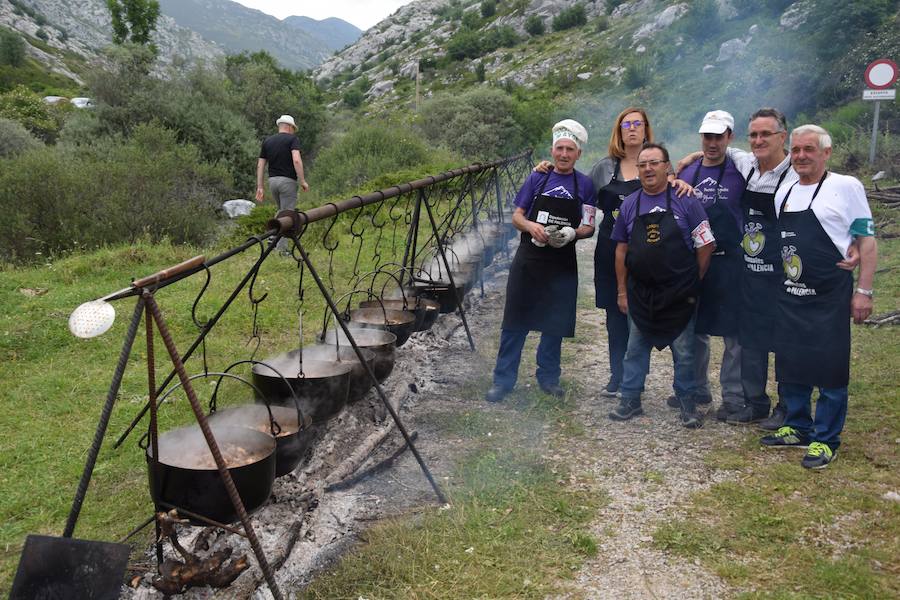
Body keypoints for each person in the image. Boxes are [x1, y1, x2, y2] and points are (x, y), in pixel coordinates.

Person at [760, 124, 877, 469]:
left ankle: (825, 438)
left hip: (830, 293)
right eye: (796, 150)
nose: (801, 157)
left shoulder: (846, 186)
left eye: (809, 149)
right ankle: (797, 425)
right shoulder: (785, 190)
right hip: (791, 292)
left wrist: (864, 291)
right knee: (791, 362)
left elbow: (865, 240)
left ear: (826, 153)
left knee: (829, 366)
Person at [486, 119, 597, 403]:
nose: (563, 154)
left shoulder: (585, 185)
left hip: (561, 262)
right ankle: (503, 380)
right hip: (530, 258)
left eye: (569, 149)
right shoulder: (538, 177)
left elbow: (589, 226)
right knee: (515, 321)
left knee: (554, 323)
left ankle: (548, 378)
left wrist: (572, 233)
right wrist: (531, 227)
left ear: (578, 154)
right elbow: (516, 216)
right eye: (559, 148)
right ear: (552, 149)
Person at [609, 143, 715, 428]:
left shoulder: (686, 199)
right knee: (634, 350)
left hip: (680, 293)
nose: (647, 169)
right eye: (642, 164)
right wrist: (621, 291)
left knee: (684, 352)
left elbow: (706, 243)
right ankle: (630, 399)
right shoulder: (630, 203)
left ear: (667, 166)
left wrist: (695, 279)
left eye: (654, 163)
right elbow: (620, 250)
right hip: (641, 293)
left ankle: (687, 402)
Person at [675, 110, 747, 421]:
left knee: (734, 334)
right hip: (694, 261)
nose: (712, 142)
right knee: (695, 330)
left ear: (729, 137)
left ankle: (733, 396)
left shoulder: (742, 168)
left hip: (731, 260)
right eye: (707, 136)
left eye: (719, 136)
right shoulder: (688, 170)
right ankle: (698, 387)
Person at [256, 114, 309, 251]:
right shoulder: (293, 139)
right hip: (288, 181)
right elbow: (296, 160)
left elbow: (260, 165)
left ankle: (272, 238)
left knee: (281, 211)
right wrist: (302, 180)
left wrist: (260, 187)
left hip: (272, 181)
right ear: (290, 127)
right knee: (288, 216)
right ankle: (281, 250)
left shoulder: (267, 141)